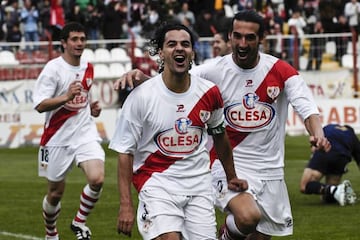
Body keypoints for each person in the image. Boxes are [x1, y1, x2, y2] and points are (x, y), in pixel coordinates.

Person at [114, 10, 331, 240]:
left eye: (249, 37)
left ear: (262, 39)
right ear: (229, 37)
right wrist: (144, 81)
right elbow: (176, 84)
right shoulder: (214, 70)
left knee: (258, 234)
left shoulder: (281, 71)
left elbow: (307, 109)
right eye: (237, 36)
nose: (242, 43)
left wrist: (318, 134)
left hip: (271, 170)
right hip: (223, 165)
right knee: (248, 217)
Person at [108, 22, 248, 240]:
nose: (179, 48)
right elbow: (125, 152)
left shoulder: (209, 93)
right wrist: (125, 204)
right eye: (171, 44)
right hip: (157, 184)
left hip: (199, 186)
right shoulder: (141, 97)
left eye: (185, 44)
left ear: (192, 52)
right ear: (160, 53)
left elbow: (220, 136)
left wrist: (231, 176)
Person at [33, 22, 105, 240]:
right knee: (55, 194)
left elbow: (81, 99)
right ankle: (51, 233)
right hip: (56, 137)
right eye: (74, 39)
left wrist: (91, 109)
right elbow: (39, 105)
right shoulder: (53, 69)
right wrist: (65, 97)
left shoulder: (88, 67)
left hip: (84, 133)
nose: (79, 43)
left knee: (97, 178)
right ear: (63, 43)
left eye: (82, 39)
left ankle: (79, 222)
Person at [300, 124, 359, 206]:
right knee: (329, 198)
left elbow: (314, 145)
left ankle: (335, 190)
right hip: (342, 158)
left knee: (305, 185)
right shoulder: (352, 136)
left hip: (326, 149)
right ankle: (337, 190)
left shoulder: (329, 127)